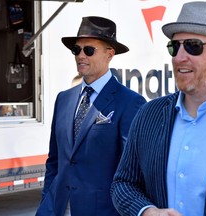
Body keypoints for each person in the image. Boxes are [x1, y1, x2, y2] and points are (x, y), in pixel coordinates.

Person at [111, 2, 206, 216]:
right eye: (174, 46)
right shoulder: (149, 114)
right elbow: (124, 183)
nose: (178, 57)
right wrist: (146, 211)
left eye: (193, 46)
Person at [36, 16, 146, 216]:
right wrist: (46, 203)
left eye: (89, 50)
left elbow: (133, 172)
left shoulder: (130, 102)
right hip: (55, 209)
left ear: (109, 54)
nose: (80, 56)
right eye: (76, 50)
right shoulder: (63, 99)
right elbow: (54, 161)